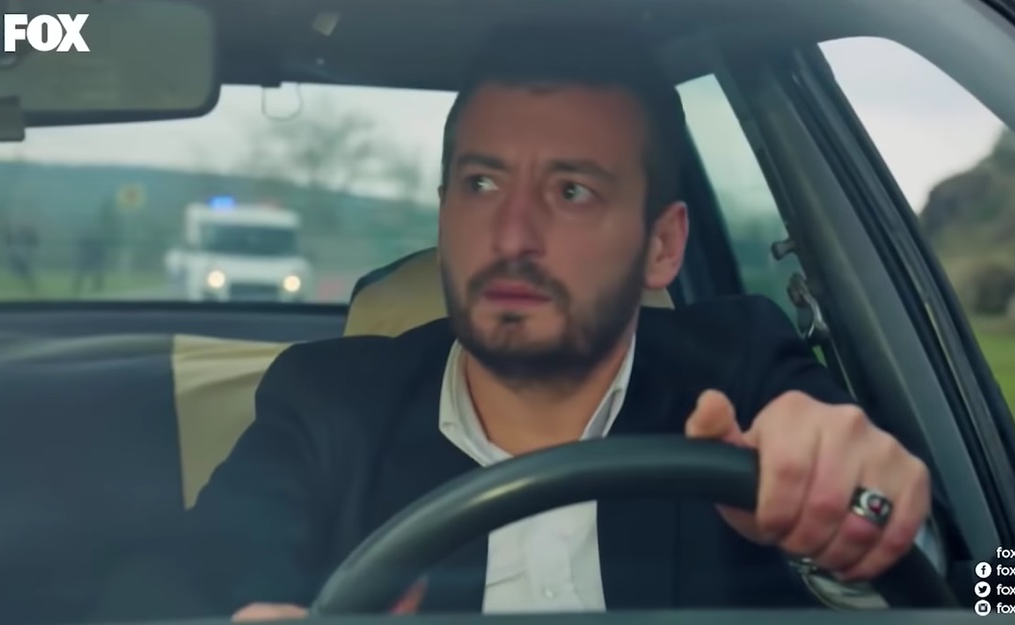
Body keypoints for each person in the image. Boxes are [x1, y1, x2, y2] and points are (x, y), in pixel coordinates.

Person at [190, 24, 938, 619]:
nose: (511, 236)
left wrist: (844, 518)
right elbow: (193, 571)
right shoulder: (327, 402)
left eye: (572, 191)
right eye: (482, 183)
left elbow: (964, 571)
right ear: (445, 212)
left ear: (662, 246)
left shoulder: (740, 372)